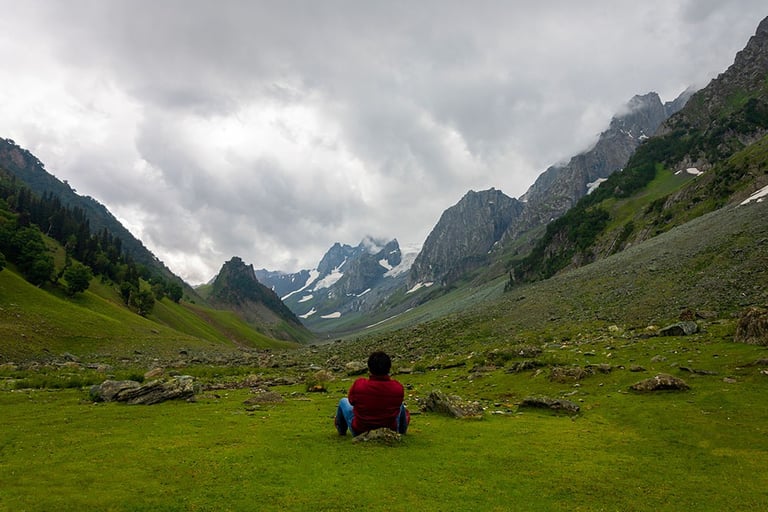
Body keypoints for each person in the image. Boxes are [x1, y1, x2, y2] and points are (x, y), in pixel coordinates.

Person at [335, 351, 410, 436]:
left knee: (343, 401)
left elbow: (351, 401)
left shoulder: (359, 384)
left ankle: (341, 431)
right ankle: (401, 431)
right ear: (389, 368)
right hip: (389, 429)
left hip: (360, 430)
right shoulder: (397, 387)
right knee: (401, 406)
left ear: (369, 368)